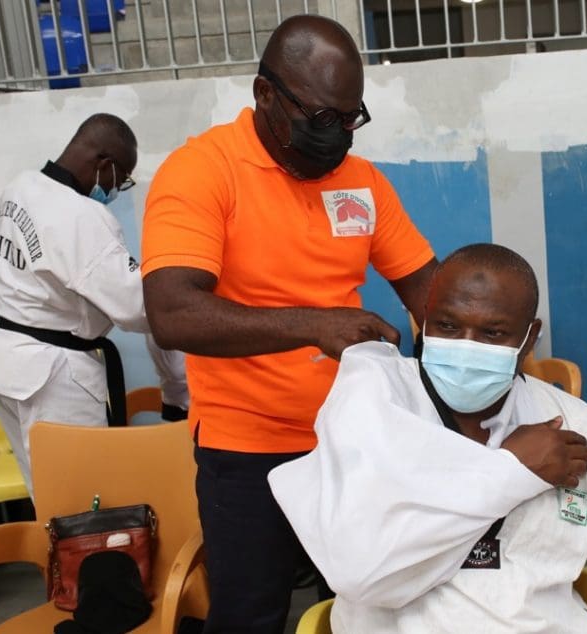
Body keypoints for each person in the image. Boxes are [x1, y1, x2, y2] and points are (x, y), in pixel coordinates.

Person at [140, 15, 438, 633]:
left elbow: (428, 290)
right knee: (251, 617)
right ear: (265, 93)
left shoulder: (362, 183)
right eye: (322, 118)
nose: (339, 136)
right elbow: (172, 312)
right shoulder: (202, 172)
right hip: (248, 452)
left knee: (383, 605)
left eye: (351, 118)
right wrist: (314, 325)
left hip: (354, 440)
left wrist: (488, 338)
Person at [269, 244, 587, 634]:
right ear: (424, 320)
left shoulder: (576, 426)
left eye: (492, 333)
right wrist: (509, 472)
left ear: (529, 338)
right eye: (447, 326)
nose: (466, 345)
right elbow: (364, 571)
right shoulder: (376, 404)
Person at [0, 114, 148, 497]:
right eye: (120, 179)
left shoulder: (18, 188)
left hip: (7, 365)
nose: (116, 190)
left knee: (45, 493)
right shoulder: (83, 216)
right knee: (84, 501)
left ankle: (51, 559)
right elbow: (134, 306)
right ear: (104, 165)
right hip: (53, 376)